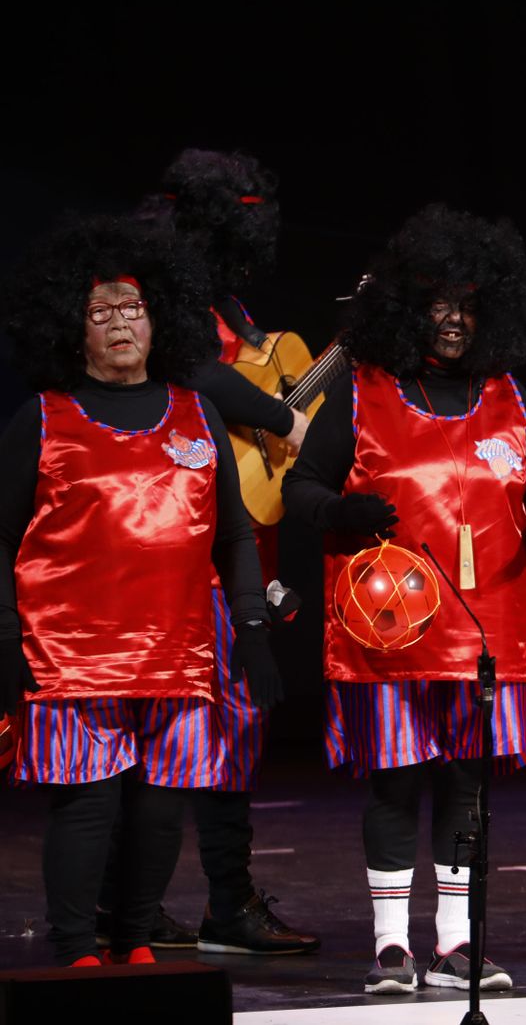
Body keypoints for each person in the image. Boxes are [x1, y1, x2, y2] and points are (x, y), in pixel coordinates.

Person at [283, 204, 526, 994]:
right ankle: (391, 945)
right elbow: (301, 485)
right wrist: (338, 514)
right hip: (391, 632)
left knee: (465, 783)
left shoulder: (507, 393)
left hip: (489, 626)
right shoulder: (362, 388)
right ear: (408, 311)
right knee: (396, 781)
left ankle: (455, 943)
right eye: (438, 305)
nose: (453, 321)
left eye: (467, 305)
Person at [0, 216, 280, 967]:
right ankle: (74, 948)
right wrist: (5, 640)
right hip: (71, 656)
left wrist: (250, 631)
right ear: (73, 327)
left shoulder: (199, 413)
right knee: (89, 807)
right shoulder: (44, 419)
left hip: (179, 651)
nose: (121, 323)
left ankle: (132, 941)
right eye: (101, 312)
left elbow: (234, 535)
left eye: (134, 308)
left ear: (160, 319)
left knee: (160, 814)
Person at [136, 146, 319, 955]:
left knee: (237, 728)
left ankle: (228, 902)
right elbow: (198, 378)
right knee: (167, 728)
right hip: (179, 545)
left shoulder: (234, 308)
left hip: (248, 540)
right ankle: (130, 906)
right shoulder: (159, 298)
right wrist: (284, 421)